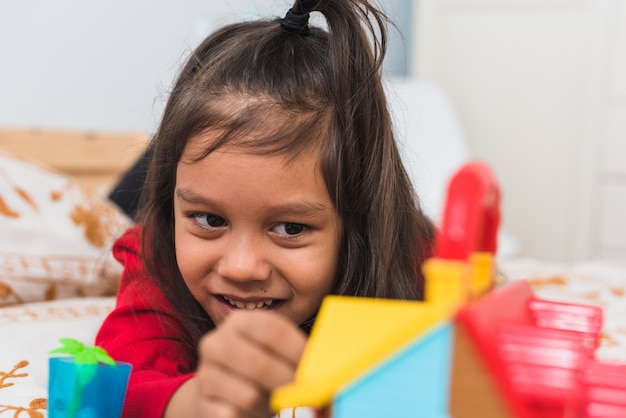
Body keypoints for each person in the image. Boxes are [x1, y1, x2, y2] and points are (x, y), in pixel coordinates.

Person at [95, 0, 435, 417]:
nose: (241, 268)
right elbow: (111, 387)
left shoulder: (412, 257)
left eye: (290, 228)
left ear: (359, 222)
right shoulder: (156, 256)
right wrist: (197, 403)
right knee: (118, 206)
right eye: (210, 220)